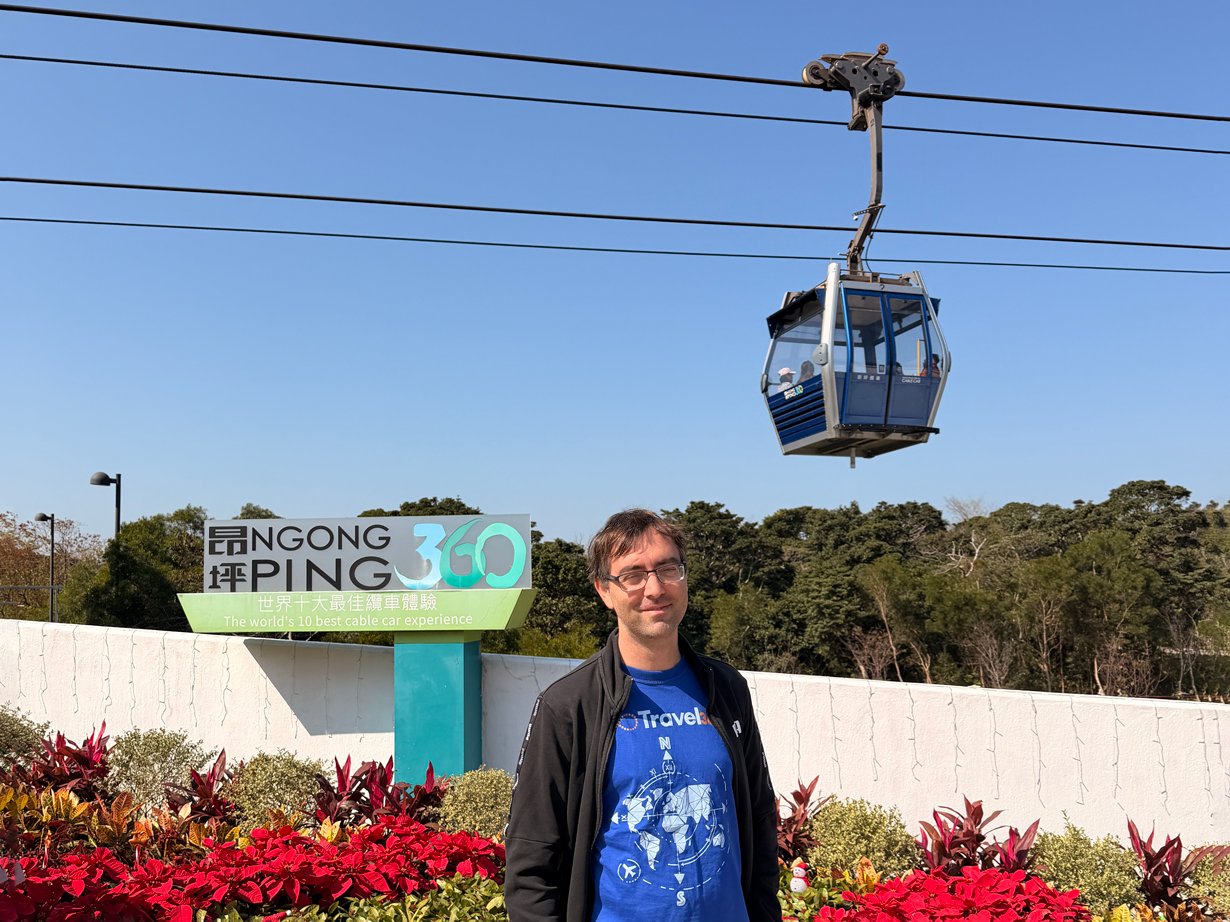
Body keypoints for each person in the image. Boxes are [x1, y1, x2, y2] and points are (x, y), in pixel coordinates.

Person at [504, 509, 780, 922]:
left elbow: (759, 819)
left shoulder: (726, 688)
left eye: (668, 568)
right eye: (632, 575)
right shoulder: (569, 706)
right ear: (604, 590)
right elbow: (532, 860)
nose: (655, 588)